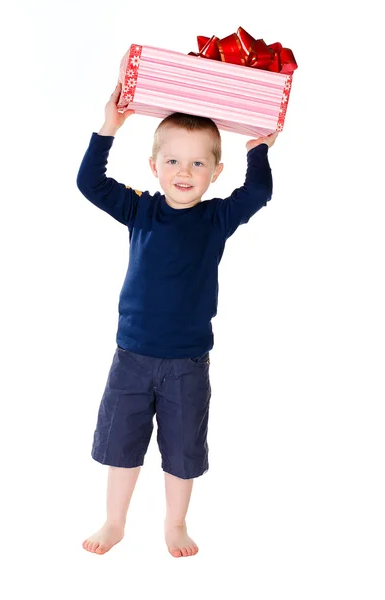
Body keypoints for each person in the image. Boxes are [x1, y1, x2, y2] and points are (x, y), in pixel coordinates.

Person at [76, 81, 278, 558]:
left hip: (187, 362)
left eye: (198, 163)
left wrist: (258, 148)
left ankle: (176, 523)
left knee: (183, 451)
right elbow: (90, 183)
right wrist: (110, 125)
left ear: (215, 172)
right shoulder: (141, 209)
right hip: (132, 356)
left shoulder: (217, 218)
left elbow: (260, 191)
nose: (183, 172)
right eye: (172, 161)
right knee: (121, 444)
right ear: (154, 166)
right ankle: (115, 520)